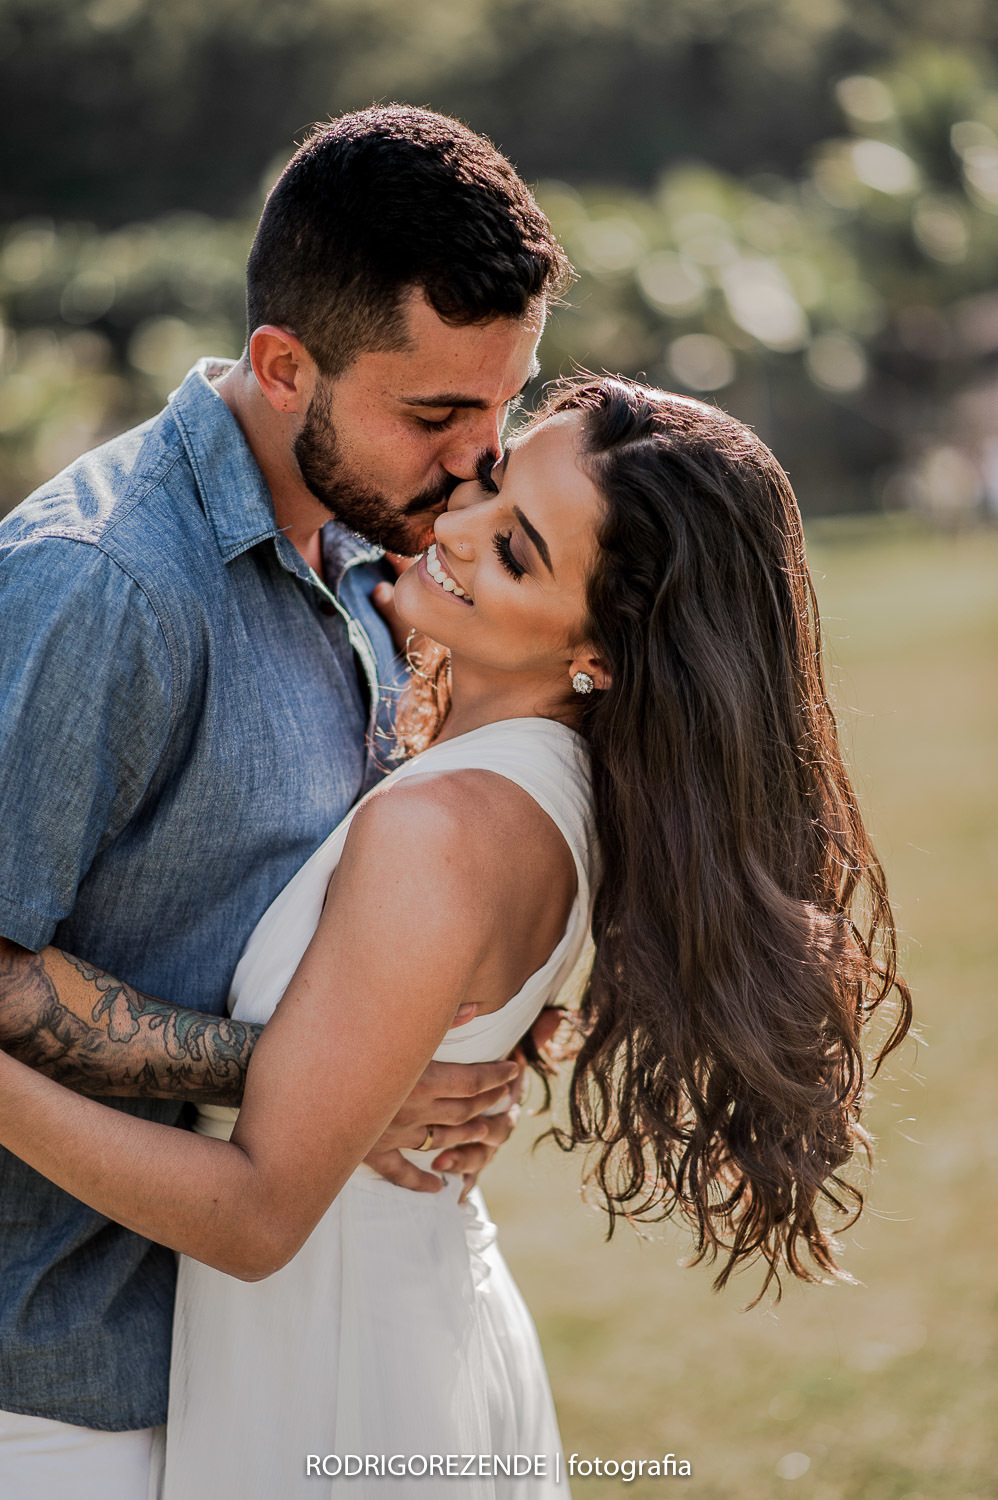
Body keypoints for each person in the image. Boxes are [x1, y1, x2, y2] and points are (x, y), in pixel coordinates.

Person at [0, 376, 913, 1498]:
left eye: (517, 552)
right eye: (490, 484)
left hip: (336, 1368)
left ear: (606, 652)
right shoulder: (560, 782)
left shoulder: (441, 829)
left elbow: (254, 1216)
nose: (458, 527)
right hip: (404, 1320)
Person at [0, 105, 572, 1496]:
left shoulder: (368, 561)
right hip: (62, 1381)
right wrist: (321, 1084)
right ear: (281, 364)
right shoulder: (103, 588)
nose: (475, 460)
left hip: (249, 1362)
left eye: (505, 406)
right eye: (434, 413)